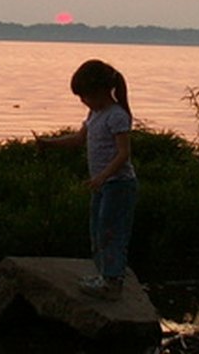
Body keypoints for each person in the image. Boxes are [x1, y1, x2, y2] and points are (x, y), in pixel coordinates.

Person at [34, 59, 138, 301]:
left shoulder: (117, 116)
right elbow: (79, 139)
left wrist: (103, 175)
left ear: (102, 91)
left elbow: (124, 154)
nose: (83, 101)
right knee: (98, 230)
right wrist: (49, 144)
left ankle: (112, 281)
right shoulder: (95, 113)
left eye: (85, 96)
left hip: (119, 185)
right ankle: (104, 275)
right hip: (102, 186)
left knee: (111, 231)